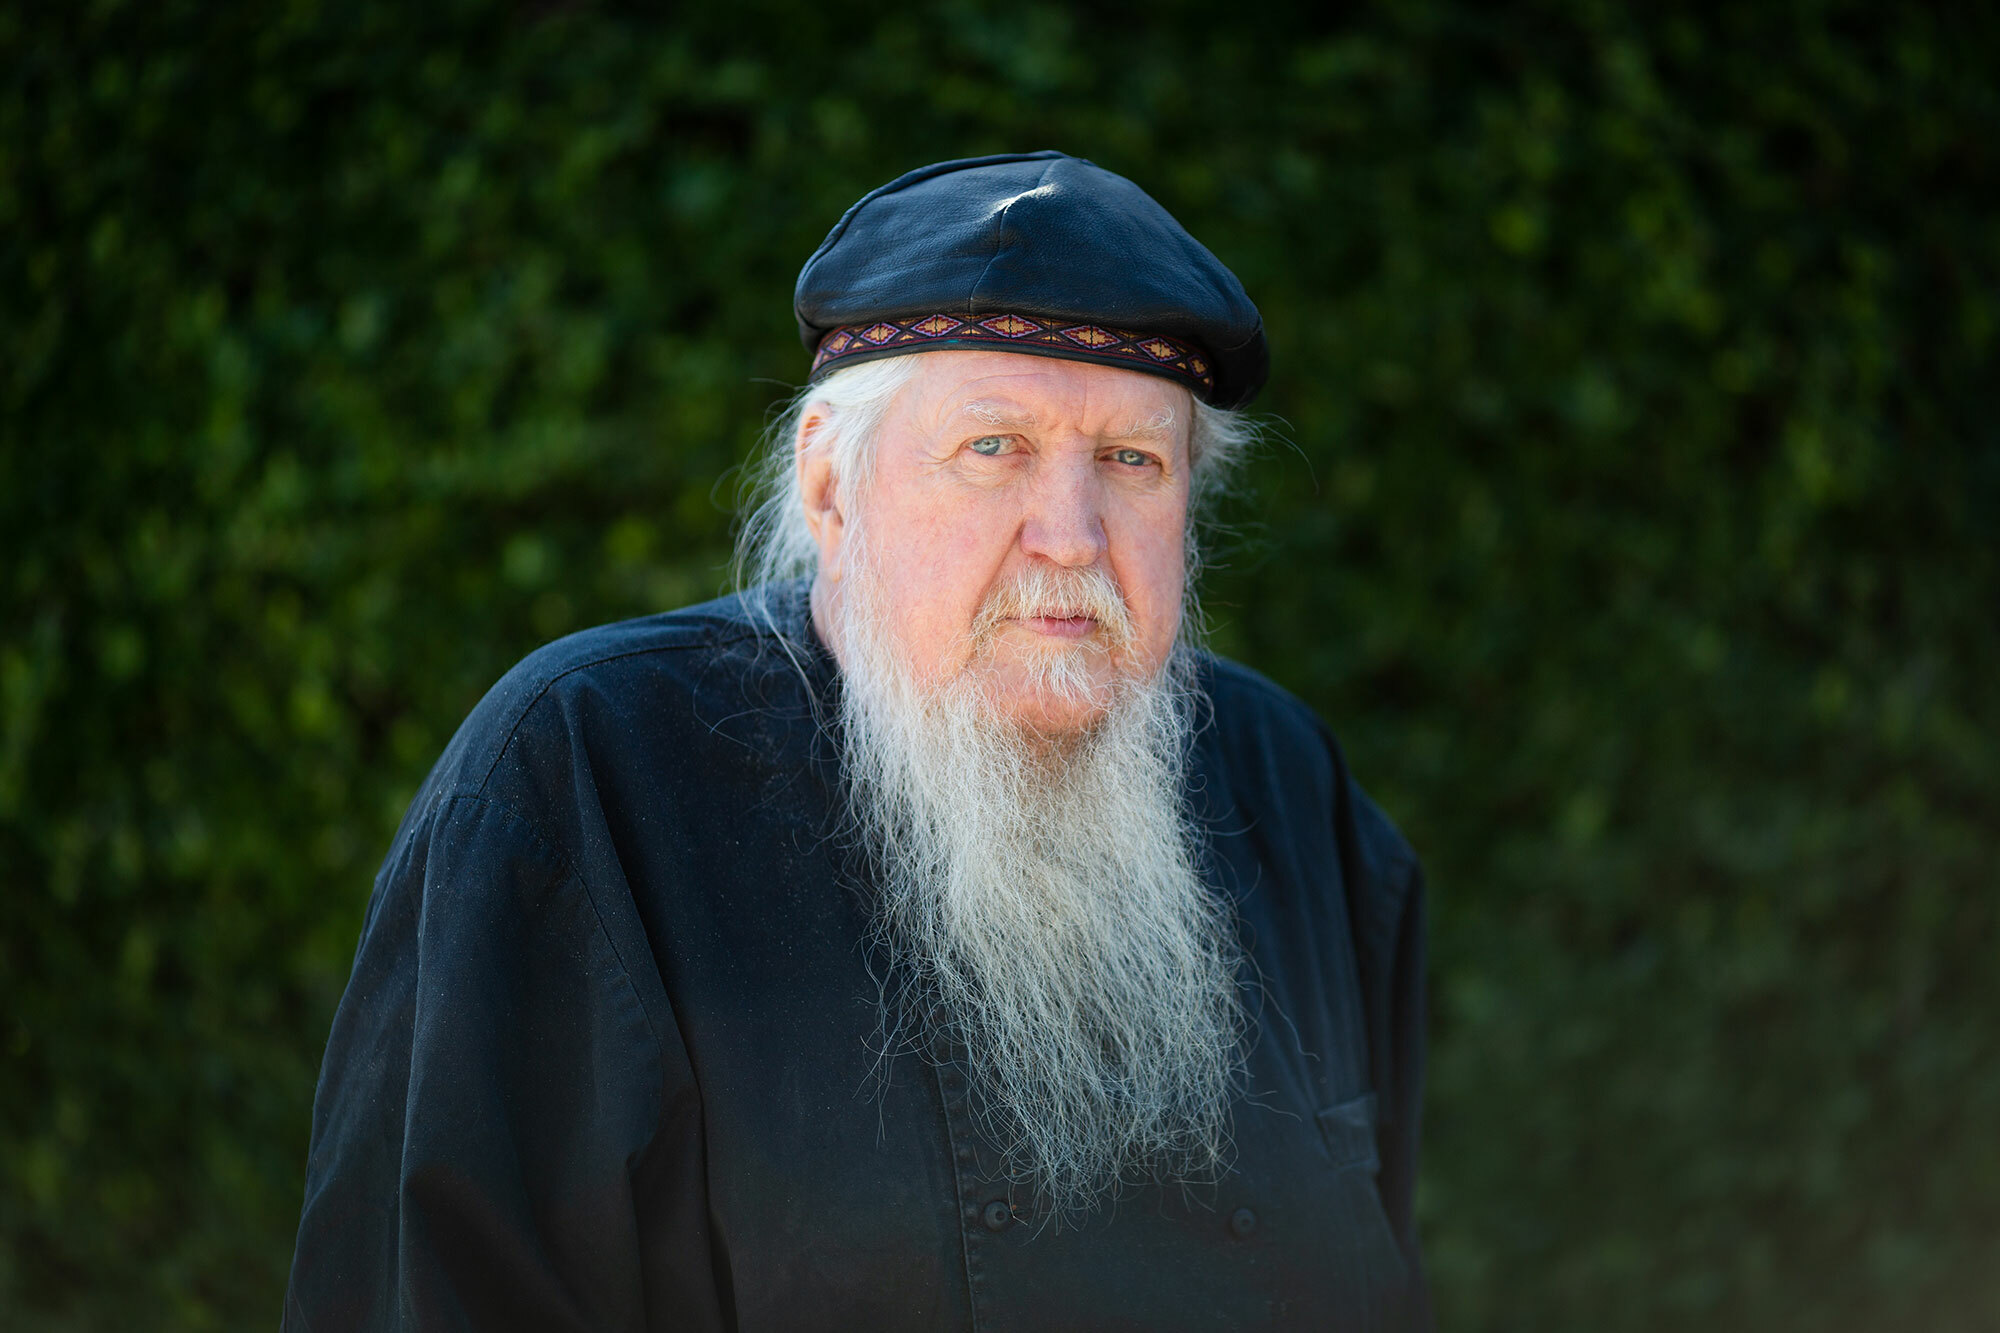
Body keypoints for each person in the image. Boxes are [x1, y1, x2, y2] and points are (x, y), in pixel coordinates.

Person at [284, 151, 1429, 1331]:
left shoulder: (1294, 794)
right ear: (831, 485)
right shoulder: (584, 778)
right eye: (994, 448)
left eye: (1131, 461)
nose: (1072, 536)